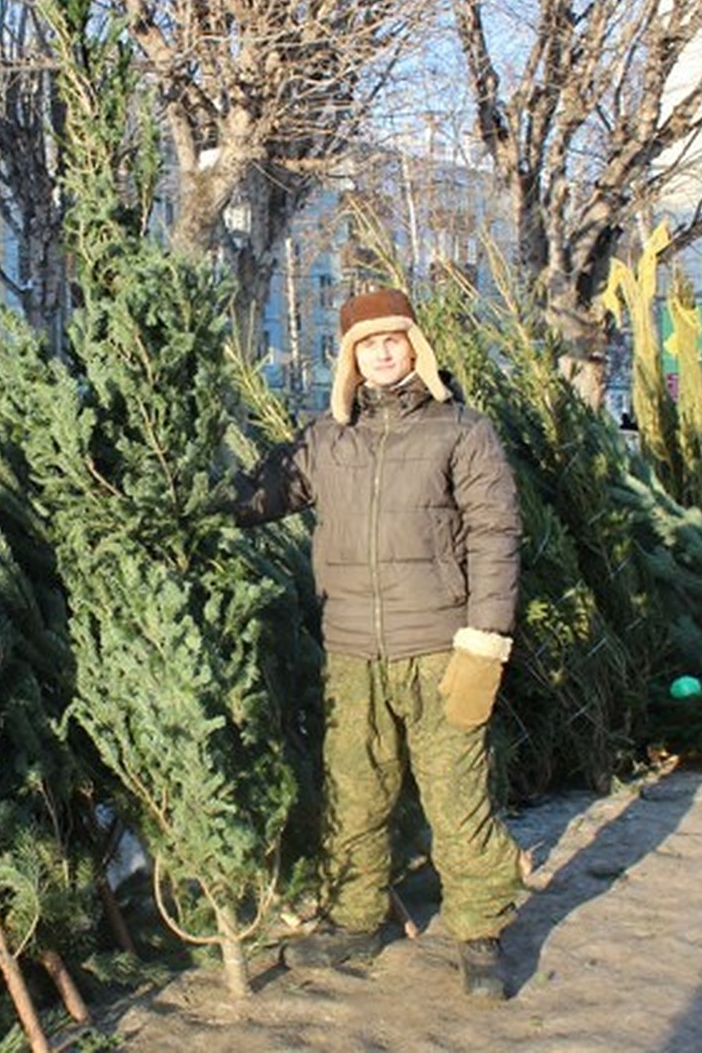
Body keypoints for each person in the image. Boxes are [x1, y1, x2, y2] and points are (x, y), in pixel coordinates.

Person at [235, 287, 525, 999]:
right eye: (367, 344)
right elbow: (256, 497)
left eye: (393, 339)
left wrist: (486, 636)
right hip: (351, 649)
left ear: (416, 346)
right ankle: (355, 920)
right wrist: (177, 497)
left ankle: (479, 934)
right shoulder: (325, 439)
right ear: (349, 359)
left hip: (440, 645)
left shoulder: (461, 430)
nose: (382, 353)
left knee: (456, 794)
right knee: (355, 791)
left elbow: (496, 533)